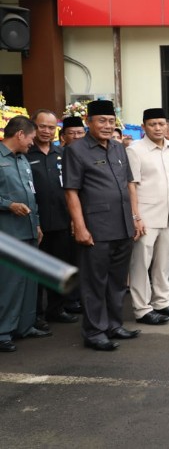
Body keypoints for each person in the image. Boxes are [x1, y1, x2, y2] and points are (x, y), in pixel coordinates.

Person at [63, 100, 144, 351]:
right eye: (102, 121)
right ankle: (94, 331)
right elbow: (71, 192)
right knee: (94, 282)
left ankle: (113, 325)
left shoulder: (119, 149)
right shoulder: (76, 150)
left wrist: (135, 217)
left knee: (117, 281)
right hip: (96, 228)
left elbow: (130, 184)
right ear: (89, 122)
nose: (108, 126)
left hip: (123, 226)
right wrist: (80, 226)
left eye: (111, 121)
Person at [126, 108, 169, 325]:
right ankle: (142, 308)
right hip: (146, 216)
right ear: (143, 127)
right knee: (140, 263)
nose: (158, 128)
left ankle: (162, 301)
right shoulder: (135, 150)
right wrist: (135, 216)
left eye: (161, 124)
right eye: (153, 124)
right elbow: (131, 185)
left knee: (164, 262)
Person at [0, 116, 50, 353]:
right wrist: (8, 205)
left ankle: (25, 325)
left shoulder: (23, 160)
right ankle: (3, 332)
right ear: (20, 134)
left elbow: (31, 195)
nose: (32, 143)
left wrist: (37, 223)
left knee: (30, 281)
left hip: (29, 229)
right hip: (9, 232)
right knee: (10, 284)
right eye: (31, 138)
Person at [27, 110, 79, 325]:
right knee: (36, 271)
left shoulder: (61, 153)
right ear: (33, 127)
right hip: (36, 223)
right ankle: (36, 315)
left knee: (60, 268)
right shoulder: (25, 153)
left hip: (61, 220)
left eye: (51, 127)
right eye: (42, 126)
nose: (47, 131)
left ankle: (56, 309)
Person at [59, 116, 86, 315]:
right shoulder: (59, 155)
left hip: (84, 216)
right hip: (60, 217)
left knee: (82, 261)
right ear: (63, 137)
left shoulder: (86, 155)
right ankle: (66, 301)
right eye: (72, 133)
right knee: (65, 260)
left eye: (80, 133)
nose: (76, 136)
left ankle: (79, 298)